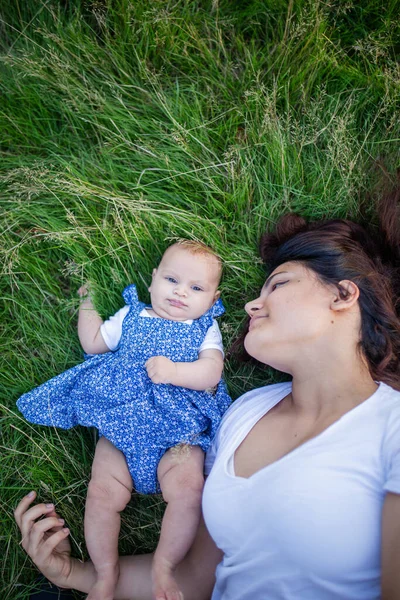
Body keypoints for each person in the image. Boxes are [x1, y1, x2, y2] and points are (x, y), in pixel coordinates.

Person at [15, 189, 400, 599]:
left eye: (278, 284)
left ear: (343, 296)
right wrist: (73, 574)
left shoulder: (391, 425)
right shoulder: (243, 413)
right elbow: (196, 579)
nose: (253, 304)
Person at [16, 240, 232, 600]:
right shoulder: (131, 316)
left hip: (177, 435)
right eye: (172, 280)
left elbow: (211, 372)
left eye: (196, 288)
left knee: (188, 491)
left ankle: (164, 567)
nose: (180, 292)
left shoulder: (204, 329)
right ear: (152, 280)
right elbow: (94, 343)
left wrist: (175, 371)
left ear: (213, 298)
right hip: (120, 426)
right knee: (101, 492)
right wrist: (86, 304)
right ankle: (105, 574)